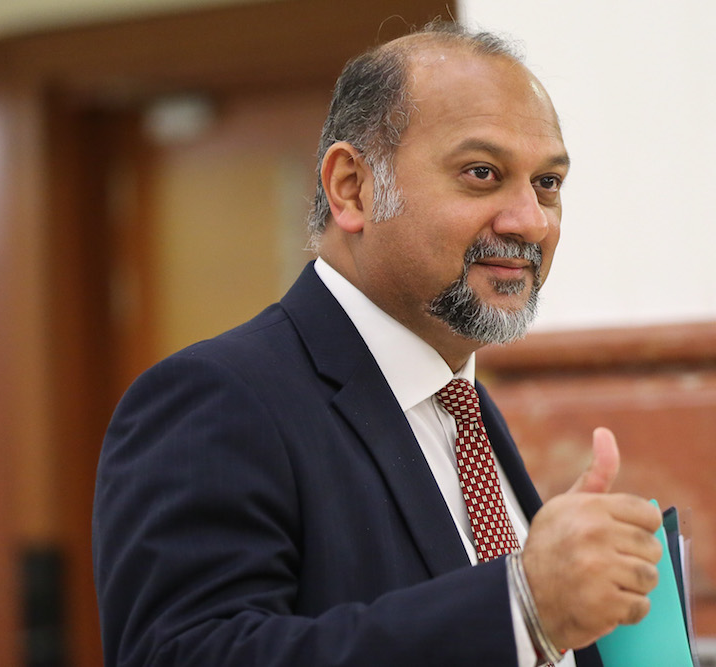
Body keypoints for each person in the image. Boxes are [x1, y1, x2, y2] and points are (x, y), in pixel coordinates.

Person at [93, 21, 663, 667]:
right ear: (351, 188)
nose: (530, 220)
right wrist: (521, 606)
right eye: (482, 173)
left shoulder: (463, 408)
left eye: (548, 183)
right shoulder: (216, 398)